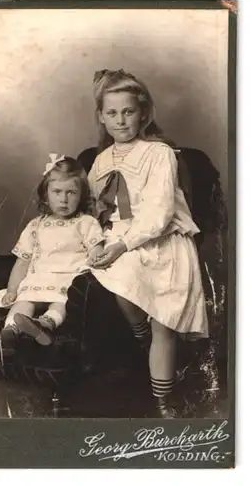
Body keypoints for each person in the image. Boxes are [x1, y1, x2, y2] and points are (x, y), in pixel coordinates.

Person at [85, 69, 208, 418]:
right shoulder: (100, 162)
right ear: (101, 117)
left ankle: (164, 405)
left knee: (162, 322)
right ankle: (142, 337)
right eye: (112, 113)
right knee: (115, 273)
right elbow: (96, 212)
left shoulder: (158, 153)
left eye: (128, 111)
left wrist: (121, 244)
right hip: (120, 241)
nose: (121, 120)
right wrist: (99, 241)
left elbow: (157, 215)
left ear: (143, 114)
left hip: (163, 241)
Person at [0, 155, 104, 355]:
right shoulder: (36, 225)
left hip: (69, 278)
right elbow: (23, 261)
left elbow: (96, 250)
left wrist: (96, 257)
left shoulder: (86, 223)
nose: (63, 199)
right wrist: (12, 289)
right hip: (39, 277)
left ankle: (45, 324)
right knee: (23, 301)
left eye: (71, 192)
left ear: (82, 195)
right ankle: (10, 332)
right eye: (57, 192)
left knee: (62, 302)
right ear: (46, 194)